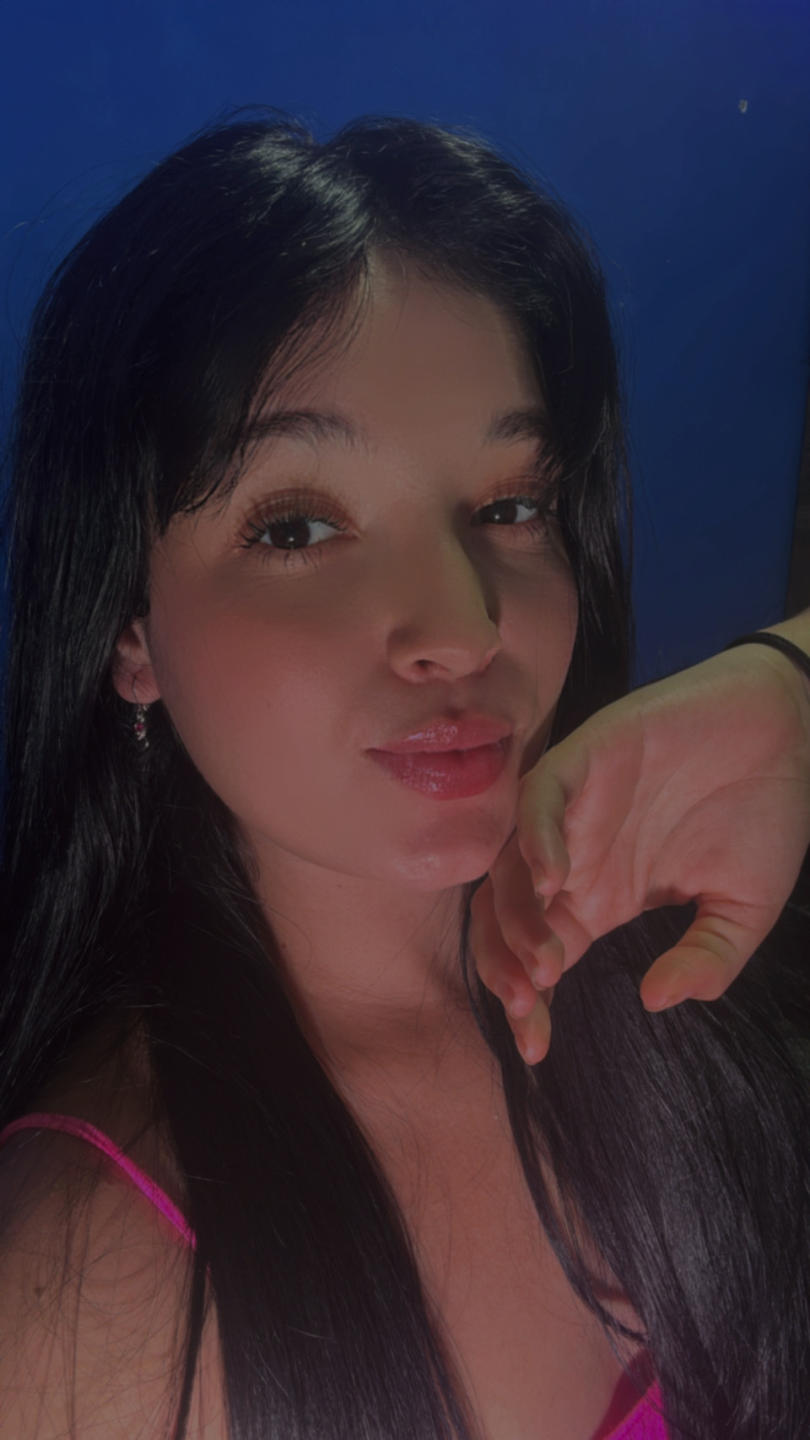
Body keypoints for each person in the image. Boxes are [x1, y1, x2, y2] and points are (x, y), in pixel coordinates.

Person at [0, 107, 807, 1440]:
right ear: (131, 632)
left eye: (509, 507)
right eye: (297, 526)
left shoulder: (688, 958)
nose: (462, 628)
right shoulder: (78, 1298)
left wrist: (790, 690)